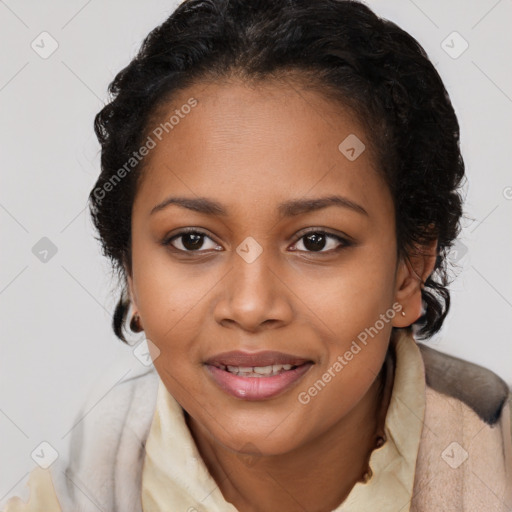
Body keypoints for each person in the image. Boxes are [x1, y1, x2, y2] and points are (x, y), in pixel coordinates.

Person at [2, 0, 511, 511]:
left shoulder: (495, 463)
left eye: (316, 241)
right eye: (192, 240)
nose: (249, 306)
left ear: (408, 271)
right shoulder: (74, 489)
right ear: (130, 272)